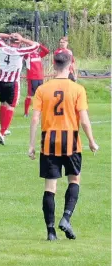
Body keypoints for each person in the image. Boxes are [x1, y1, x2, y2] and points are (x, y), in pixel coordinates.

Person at [27, 52, 99, 241]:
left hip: (49, 143)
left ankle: (50, 232)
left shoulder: (42, 89)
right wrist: (91, 141)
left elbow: (35, 118)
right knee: (74, 180)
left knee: (50, 186)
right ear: (71, 66)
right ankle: (66, 217)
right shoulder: (77, 89)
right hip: (72, 142)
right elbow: (84, 120)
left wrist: (32, 145)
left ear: (53, 65)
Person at [0, 32, 39, 145]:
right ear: (18, 43)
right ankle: (2, 132)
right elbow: (36, 45)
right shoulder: (19, 51)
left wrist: (9, 36)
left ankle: (3, 128)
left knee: (3, 104)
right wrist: (22, 39)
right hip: (12, 83)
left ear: (9, 41)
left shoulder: (3, 47)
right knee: (11, 107)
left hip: (0, 81)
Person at [23, 43, 50, 117]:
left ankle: (42, 111)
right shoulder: (27, 55)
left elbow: (47, 51)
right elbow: (23, 54)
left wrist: (40, 45)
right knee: (30, 95)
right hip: (32, 78)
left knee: (41, 95)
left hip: (40, 77)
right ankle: (26, 112)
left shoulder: (38, 54)